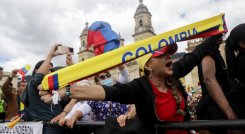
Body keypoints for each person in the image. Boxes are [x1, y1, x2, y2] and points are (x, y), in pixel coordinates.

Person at [39, 35, 221, 134]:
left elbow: (195, 55)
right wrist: (62, 93)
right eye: (162, 54)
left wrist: (214, 35)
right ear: (148, 65)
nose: (169, 57)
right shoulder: (139, 87)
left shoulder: (173, 73)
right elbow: (106, 92)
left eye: (170, 54)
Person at [197, 24, 245, 133]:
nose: (220, 35)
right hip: (215, 109)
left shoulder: (215, 52)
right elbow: (209, 79)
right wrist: (231, 115)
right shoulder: (208, 52)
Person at [22, 44, 66, 134]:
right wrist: (50, 55)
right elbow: (38, 77)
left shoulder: (52, 88)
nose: (50, 72)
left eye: (51, 70)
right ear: (36, 70)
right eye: (47, 69)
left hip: (58, 126)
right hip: (47, 128)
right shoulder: (33, 84)